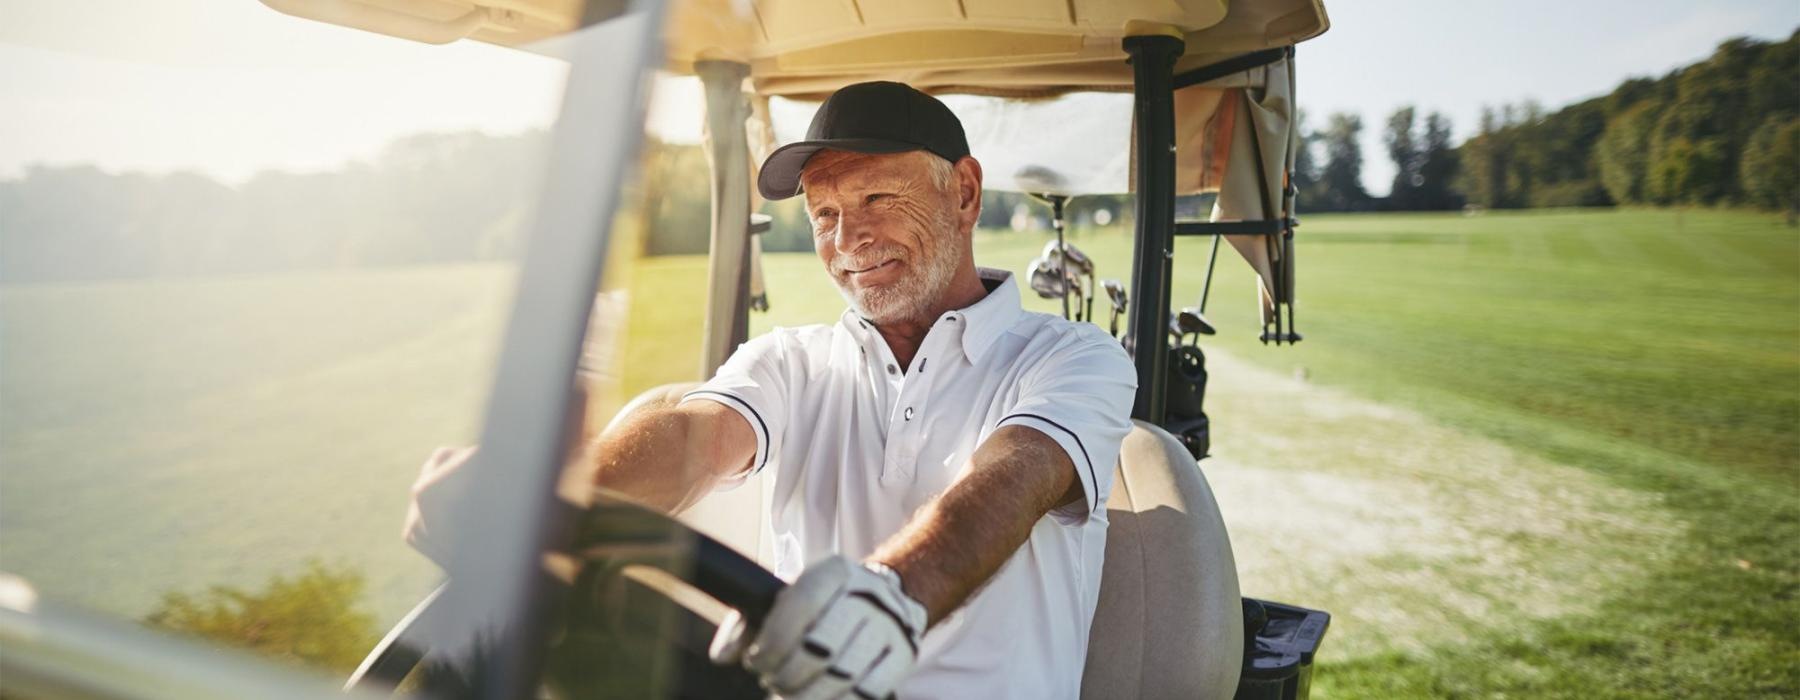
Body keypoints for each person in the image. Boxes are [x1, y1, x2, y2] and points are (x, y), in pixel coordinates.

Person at [409, 81, 1136, 700]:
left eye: (876, 196)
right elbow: (699, 440)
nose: (847, 238)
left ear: (966, 193)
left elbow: (1014, 475)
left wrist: (887, 595)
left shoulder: (1073, 358)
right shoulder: (791, 361)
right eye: (824, 214)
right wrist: (544, 501)